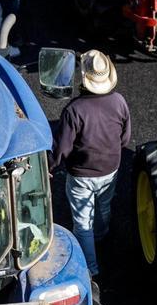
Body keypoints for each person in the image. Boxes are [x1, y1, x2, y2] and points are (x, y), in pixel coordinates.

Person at [50, 51, 131, 276]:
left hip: (81, 175)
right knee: (104, 205)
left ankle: (91, 269)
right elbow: (125, 139)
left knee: (82, 223)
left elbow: (62, 149)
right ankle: (102, 235)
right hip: (110, 169)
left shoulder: (74, 110)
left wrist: (50, 166)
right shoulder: (119, 101)